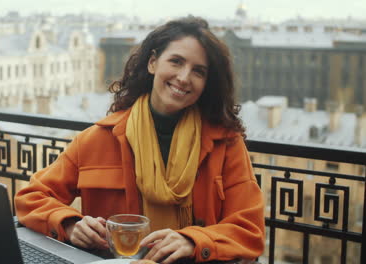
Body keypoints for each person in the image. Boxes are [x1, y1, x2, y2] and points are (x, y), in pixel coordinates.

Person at [15, 16, 265, 263]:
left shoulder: (226, 145)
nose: (184, 77)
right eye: (176, 62)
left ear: (207, 83)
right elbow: (31, 197)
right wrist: (70, 224)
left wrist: (194, 241)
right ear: (153, 63)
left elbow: (249, 229)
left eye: (198, 71)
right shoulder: (97, 140)